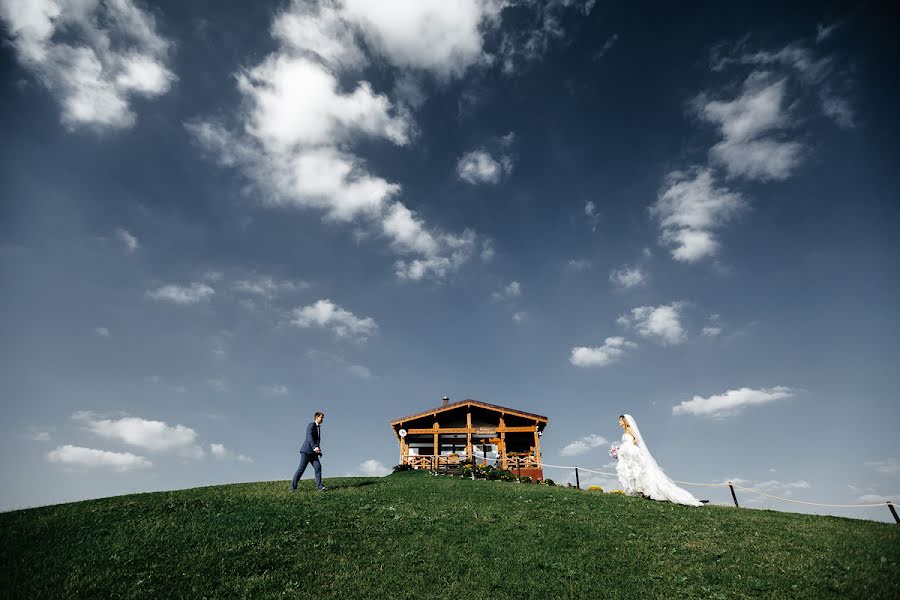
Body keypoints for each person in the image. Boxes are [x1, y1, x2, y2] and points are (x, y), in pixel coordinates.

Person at [615, 414, 701, 506]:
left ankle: (641, 491)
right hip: (627, 453)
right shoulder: (625, 431)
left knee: (637, 471)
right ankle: (638, 491)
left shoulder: (629, 430)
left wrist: (630, 445)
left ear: (625, 421)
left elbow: (637, 439)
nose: (619, 422)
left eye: (620, 420)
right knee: (631, 472)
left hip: (632, 452)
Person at [290, 411, 326, 492]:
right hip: (306, 451)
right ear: (317, 417)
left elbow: (316, 441)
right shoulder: (311, 425)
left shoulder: (318, 428)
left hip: (313, 454)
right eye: (321, 417)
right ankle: (292, 488)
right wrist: (314, 447)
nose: (322, 419)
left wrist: (318, 451)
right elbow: (309, 437)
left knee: (318, 467)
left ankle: (319, 486)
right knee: (301, 470)